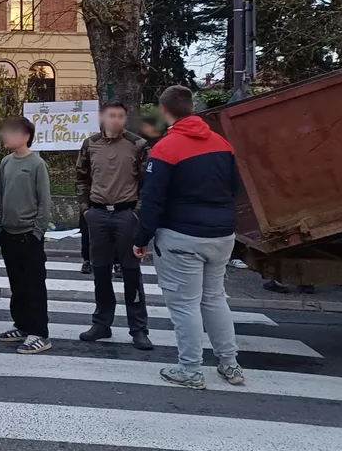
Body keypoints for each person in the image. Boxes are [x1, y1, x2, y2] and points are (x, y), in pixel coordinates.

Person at [133, 85, 244, 389]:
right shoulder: (221, 143)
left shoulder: (167, 148)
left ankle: (191, 369)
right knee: (215, 299)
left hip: (182, 236)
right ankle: (230, 364)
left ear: (164, 110)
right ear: (192, 108)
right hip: (221, 234)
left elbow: (153, 199)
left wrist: (141, 237)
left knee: (185, 305)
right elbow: (235, 187)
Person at [76, 101, 153, 351]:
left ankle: (138, 329)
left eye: (121, 115)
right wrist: (86, 210)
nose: (116, 120)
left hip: (126, 215)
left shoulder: (138, 145)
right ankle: (102, 323)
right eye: (112, 115)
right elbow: (81, 177)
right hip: (98, 215)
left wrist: (137, 215)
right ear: (103, 117)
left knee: (131, 273)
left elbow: (148, 183)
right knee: (100, 271)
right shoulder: (90, 144)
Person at [0, 117, 53, 353]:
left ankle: (40, 333)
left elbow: (44, 201)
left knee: (34, 285)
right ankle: (22, 325)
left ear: (25, 136)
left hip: (29, 234)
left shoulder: (37, 164)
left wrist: (37, 231)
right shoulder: (6, 162)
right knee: (17, 283)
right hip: (8, 233)